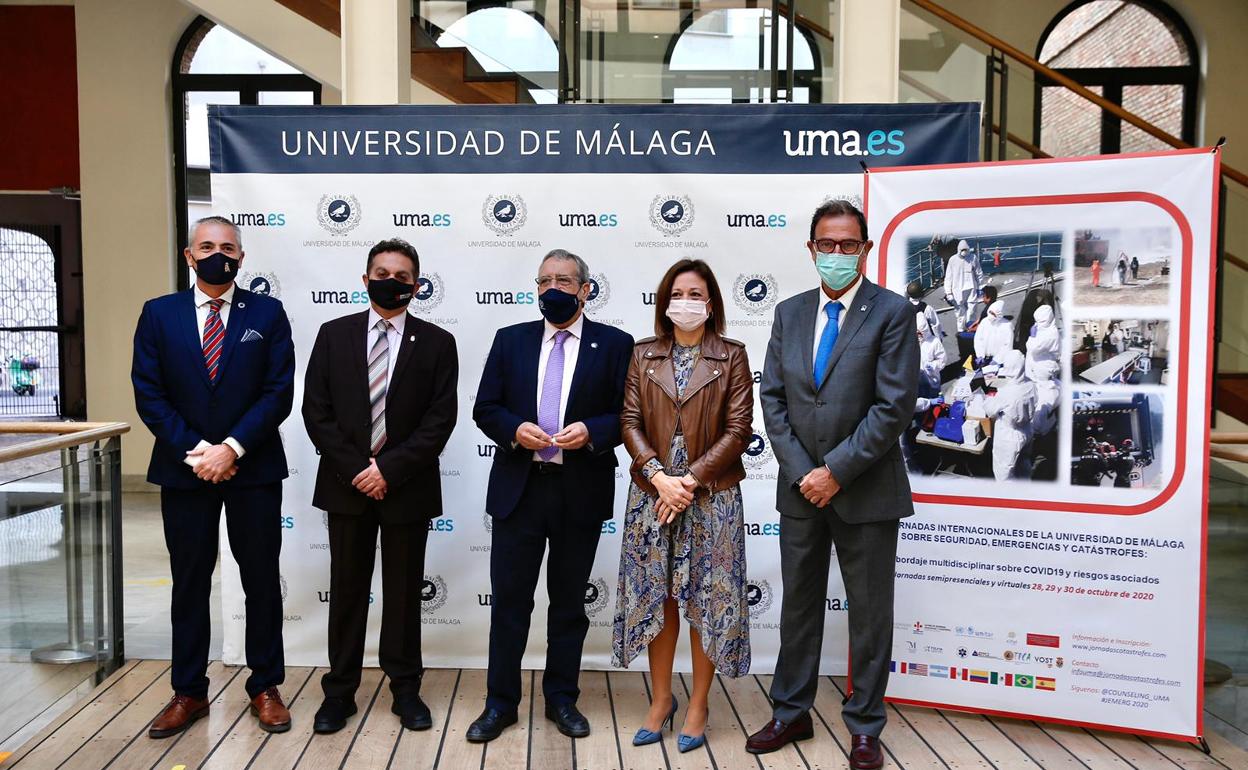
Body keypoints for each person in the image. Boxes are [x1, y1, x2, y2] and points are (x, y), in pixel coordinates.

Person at [749, 199, 918, 770]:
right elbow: (772, 399)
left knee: (870, 614)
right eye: (829, 244)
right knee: (798, 606)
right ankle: (791, 712)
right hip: (801, 492)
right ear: (812, 249)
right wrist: (805, 474)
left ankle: (866, 725)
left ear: (865, 250)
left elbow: (893, 406)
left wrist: (836, 472)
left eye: (850, 245)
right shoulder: (789, 312)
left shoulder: (893, 312)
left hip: (864, 491)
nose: (839, 254)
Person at [131, 216, 294, 738]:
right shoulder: (159, 314)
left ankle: (266, 687)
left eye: (228, 247)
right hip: (186, 472)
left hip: (254, 468)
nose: (217, 254)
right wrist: (201, 452)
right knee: (190, 583)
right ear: (188, 255)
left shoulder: (267, 313)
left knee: (261, 582)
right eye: (207, 246)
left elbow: (278, 391)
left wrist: (232, 448)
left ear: (241, 258)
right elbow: (149, 393)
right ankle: (188, 692)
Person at [469, 249, 634, 743]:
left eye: (564, 280)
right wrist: (514, 429)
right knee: (510, 604)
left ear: (586, 288)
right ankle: (500, 704)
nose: (553, 289)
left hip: (578, 490)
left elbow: (627, 415)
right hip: (519, 491)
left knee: (567, 605)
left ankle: (562, 700)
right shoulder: (510, 339)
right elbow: (485, 407)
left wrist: (593, 431)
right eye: (544, 281)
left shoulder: (616, 343)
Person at [302, 239, 459, 734]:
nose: (392, 281)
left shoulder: (437, 342)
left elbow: (440, 420)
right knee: (347, 591)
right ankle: (339, 693)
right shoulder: (333, 334)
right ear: (365, 278)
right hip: (347, 487)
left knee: (403, 593)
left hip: (406, 488)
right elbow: (316, 412)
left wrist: (388, 469)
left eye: (402, 275)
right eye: (382, 272)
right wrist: (359, 469)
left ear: (417, 285)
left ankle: (405, 690)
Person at [613, 259, 753, 753]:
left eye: (696, 294)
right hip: (652, 494)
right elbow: (628, 421)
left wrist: (688, 481)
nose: (686, 302)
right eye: (678, 293)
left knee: (706, 598)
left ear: (710, 302)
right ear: (664, 301)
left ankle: (698, 704)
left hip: (710, 495)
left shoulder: (731, 356)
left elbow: (739, 431)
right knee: (660, 596)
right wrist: (657, 475)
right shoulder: (642, 354)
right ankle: (660, 699)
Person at [983, 350, 1036, 481]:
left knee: (1004, 475)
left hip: (1008, 435)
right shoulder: (1031, 384)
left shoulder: (1007, 392)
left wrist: (990, 395)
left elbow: (990, 411)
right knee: (1024, 466)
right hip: (1027, 430)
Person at [943, 239, 983, 332]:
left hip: (971, 288)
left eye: (966, 249)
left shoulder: (973, 258)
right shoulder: (953, 260)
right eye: (962, 250)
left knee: (972, 309)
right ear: (958, 250)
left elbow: (979, 273)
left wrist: (980, 287)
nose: (964, 252)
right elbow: (948, 277)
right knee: (960, 312)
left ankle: (971, 328)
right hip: (958, 290)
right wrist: (948, 292)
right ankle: (961, 330)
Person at [1031, 360, 1060, 480]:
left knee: (1039, 462)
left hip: (1042, 434)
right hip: (1052, 427)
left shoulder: (1047, 394)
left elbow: (1037, 422)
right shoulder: (1057, 384)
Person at [1024, 304, 1060, 381]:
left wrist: (1032, 337)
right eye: (1036, 321)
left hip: (1043, 372)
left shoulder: (1051, 334)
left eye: (1041, 321)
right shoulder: (1042, 328)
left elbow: (1033, 349)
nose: (1037, 324)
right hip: (1035, 370)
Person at [973, 300, 1013, 365]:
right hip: (984, 357)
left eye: (993, 314)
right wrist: (980, 355)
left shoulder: (1007, 325)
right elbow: (978, 339)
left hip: (999, 360)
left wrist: (998, 359)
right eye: (990, 312)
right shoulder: (984, 321)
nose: (990, 315)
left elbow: (1007, 345)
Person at [917, 313, 946, 398]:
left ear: (924, 330)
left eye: (920, 333)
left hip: (932, 379)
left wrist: (933, 365)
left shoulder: (934, 342)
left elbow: (942, 360)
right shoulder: (912, 342)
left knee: (934, 402)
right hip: (917, 381)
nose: (918, 335)